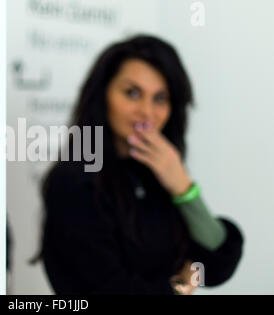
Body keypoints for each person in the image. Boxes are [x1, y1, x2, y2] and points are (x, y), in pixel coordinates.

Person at [38, 35, 244, 295]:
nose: (146, 111)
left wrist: (183, 188)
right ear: (103, 96)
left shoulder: (157, 174)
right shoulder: (75, 182)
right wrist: (178, 288)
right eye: (132, 93)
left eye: (160, 98)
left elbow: (215, 265)